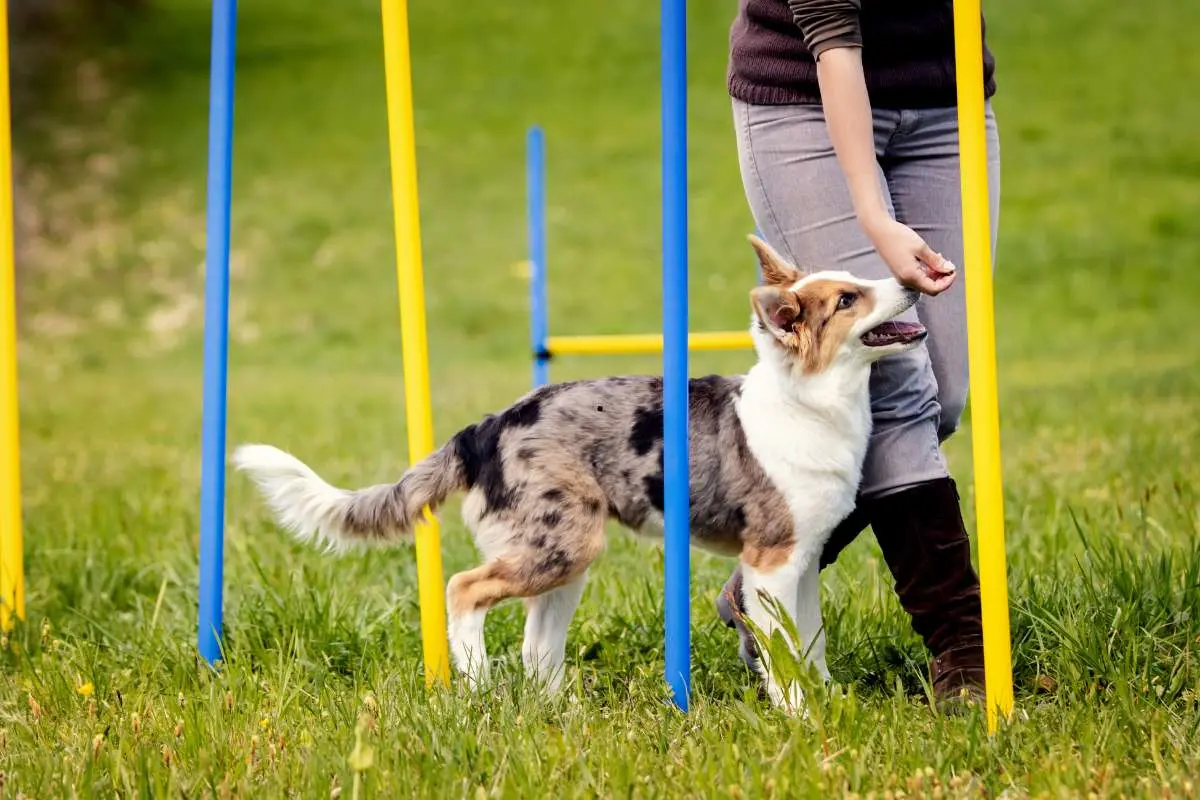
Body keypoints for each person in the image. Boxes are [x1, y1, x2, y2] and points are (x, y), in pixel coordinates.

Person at [716, 0, 1002, 706]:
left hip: (946, 98)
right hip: (805, 100)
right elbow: (834, 40)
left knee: (944, 393)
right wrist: (876, 220)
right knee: (899, 389)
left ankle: (765, 578)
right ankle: (964, 654)